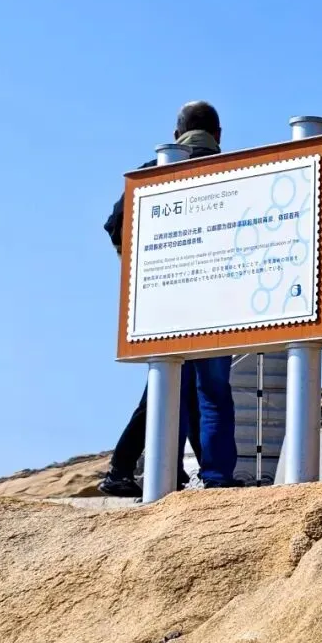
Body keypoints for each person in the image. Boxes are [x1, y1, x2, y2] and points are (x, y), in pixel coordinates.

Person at [98, 101, 240, 496]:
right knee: (211, 393)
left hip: (166, 301)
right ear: (218, 135)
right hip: (219, 303)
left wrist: (137, 265)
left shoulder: (153, 171)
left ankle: (143, 470)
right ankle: (215, 476)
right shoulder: (238, 171)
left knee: (168, 387)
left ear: (177, 134)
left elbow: (114, 223)